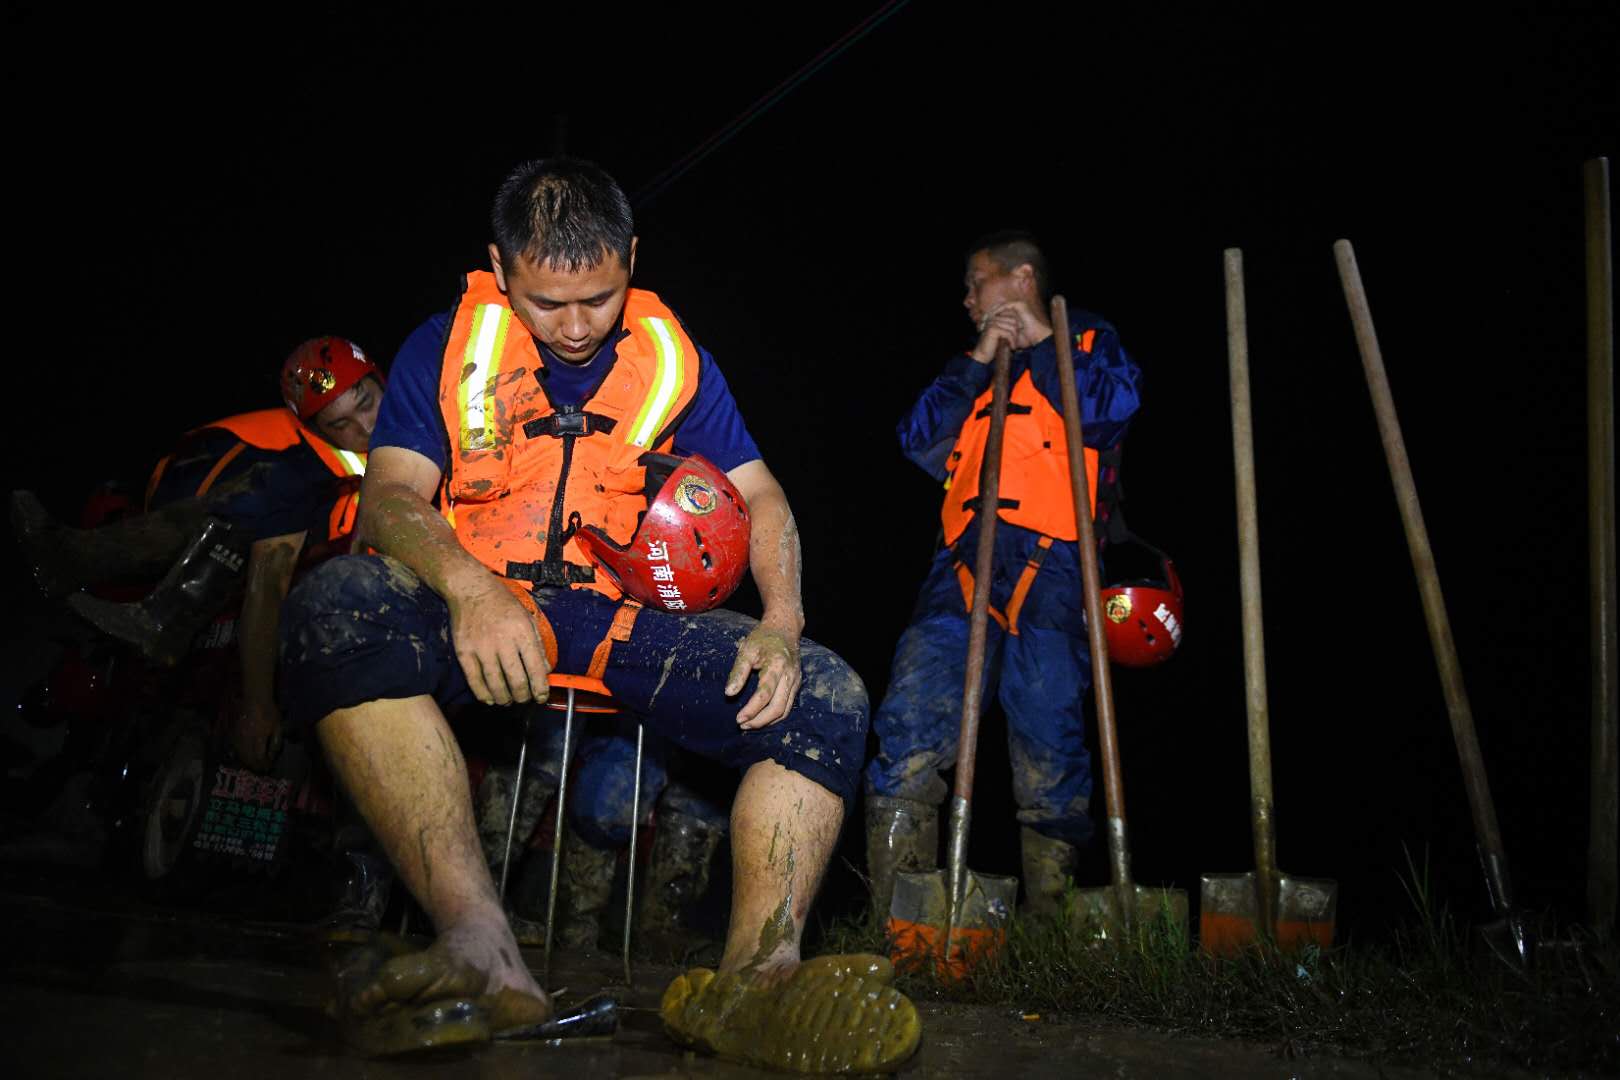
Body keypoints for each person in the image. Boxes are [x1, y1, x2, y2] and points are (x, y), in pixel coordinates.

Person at [277, 157, 919, 1070]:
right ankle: (482, 952)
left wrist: (782, 620)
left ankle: (756, 981)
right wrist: (469, 589)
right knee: (334, 610)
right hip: (481, 602)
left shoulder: (673, 355)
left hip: (615, 622)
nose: (576, 328)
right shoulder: (444, 344)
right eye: (547, 304)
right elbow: (388, 499)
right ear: (501, 270)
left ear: (630, 257)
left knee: (824, 696)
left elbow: (764, 496)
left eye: (601, 298)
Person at [864, 231, 1143, 920]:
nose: (966, 297)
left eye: (975, 281)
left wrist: (1043, 339)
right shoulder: (975, 364)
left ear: (1020, 277)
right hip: (958, 567)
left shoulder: (1086, 341)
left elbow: (1111, 412)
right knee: (910, 722)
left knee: (1048, 734)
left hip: (1055, 569)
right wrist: (982, 356)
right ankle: (899, 927)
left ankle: (1049, 927)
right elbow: (919, 441)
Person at [10, 338, 382, 773]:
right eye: (341, 424)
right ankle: (151, 603)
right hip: (276, 555)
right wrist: (257, 707)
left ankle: (141, 599)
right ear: (319, 430)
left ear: (383, 378)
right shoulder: (298, 472)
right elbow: (266, 591)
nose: (365, 426)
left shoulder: (423, 415)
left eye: (367, 402)